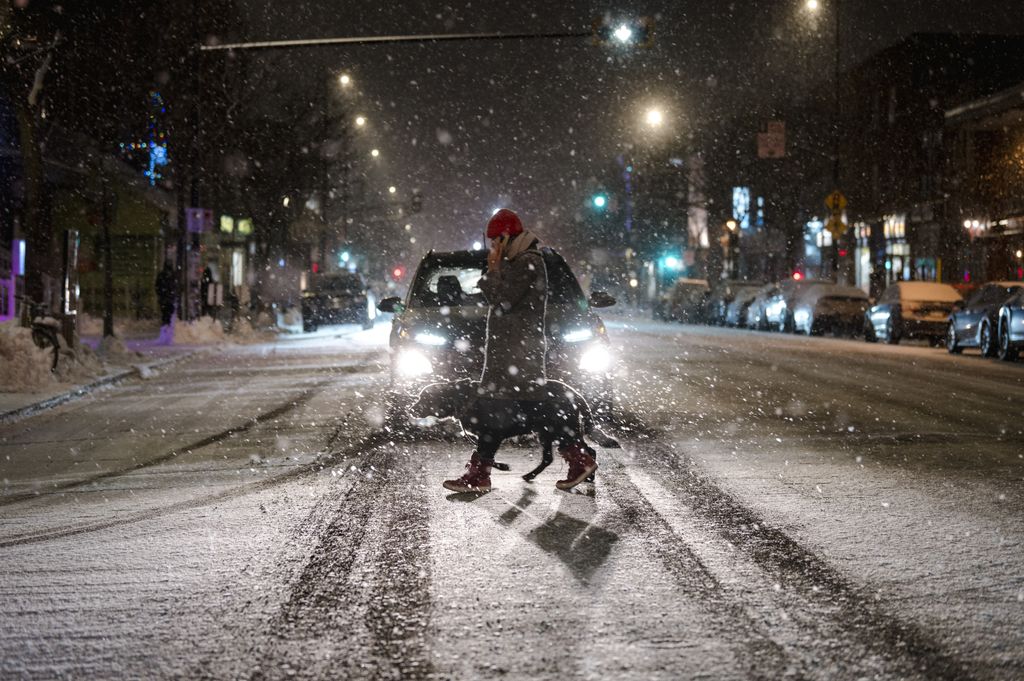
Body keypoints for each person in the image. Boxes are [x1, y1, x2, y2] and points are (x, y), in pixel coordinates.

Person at [443, 208, 598, 494]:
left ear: (505, 237)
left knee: (527, 411)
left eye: (494, 242)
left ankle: (578, 458)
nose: (492, 248)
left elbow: (503, 301)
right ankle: (482, 473)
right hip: (510, 356)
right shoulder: (519, 262)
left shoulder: (528, 262)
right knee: (504, 413)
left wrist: (492, 270)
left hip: (519, 357)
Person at [155, 261, 177, 329]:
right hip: (169, 298)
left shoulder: (161, 275)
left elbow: (157, 286)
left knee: (165, 314)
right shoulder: (173, 275)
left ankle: (165, 327)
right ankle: (168, 326)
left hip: (164, 298)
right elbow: (175, 286)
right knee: (169, 313)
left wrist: (160, 294)